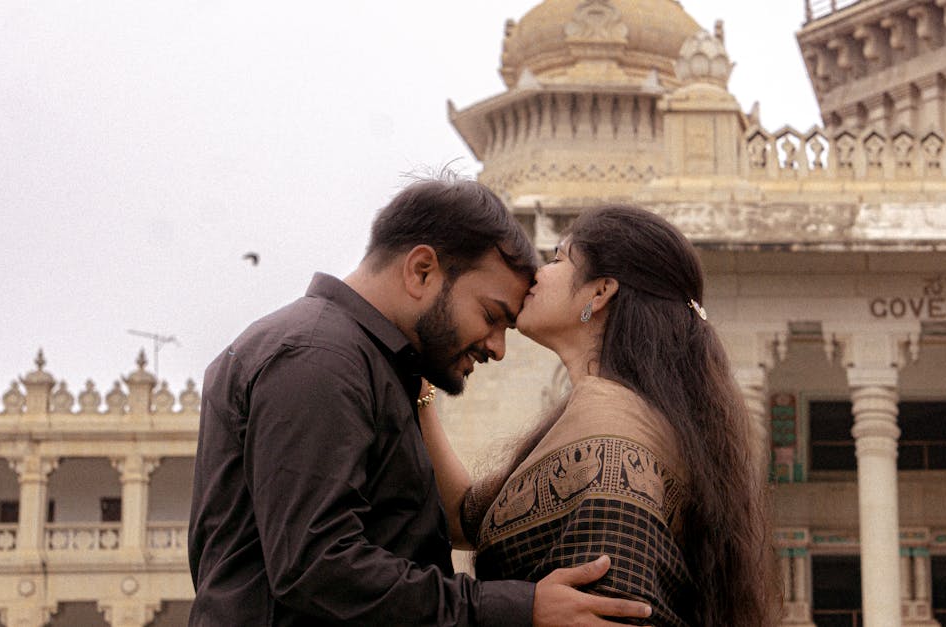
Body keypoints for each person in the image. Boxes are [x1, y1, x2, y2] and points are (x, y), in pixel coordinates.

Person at [188, 178, 653, 626]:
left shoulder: (364, 363)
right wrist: (518, 609)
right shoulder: (317, 358)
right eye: (491, 316)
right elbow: (318, 566)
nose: (497, 348)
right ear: (421, 271)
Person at [420, 205, 781, 626]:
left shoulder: (610, 432)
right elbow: (463, 517)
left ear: (599, 292)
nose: (538, 273)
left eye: (558, 259)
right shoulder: (613, 412)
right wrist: (422, 390)